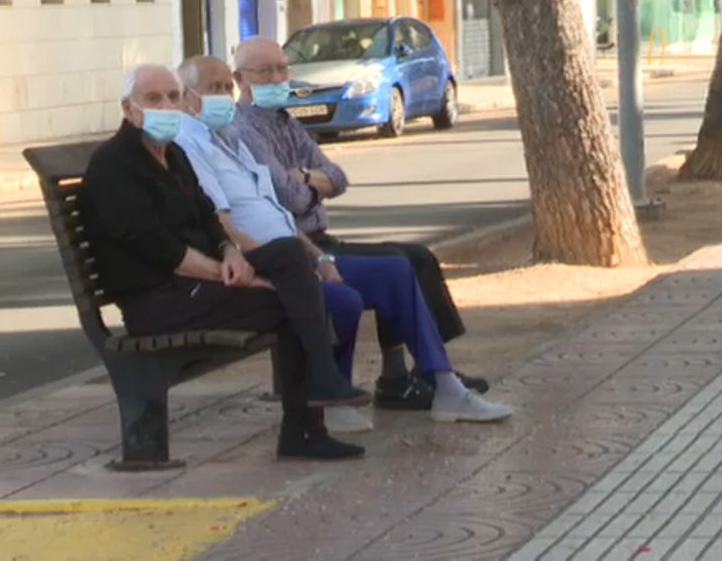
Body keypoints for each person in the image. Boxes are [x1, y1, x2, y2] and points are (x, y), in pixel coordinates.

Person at [174, 56, 513, 428]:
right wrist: (288, 242)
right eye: (214, 88)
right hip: (267, 260)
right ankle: (333, 399)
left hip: (299, 247)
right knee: (347, 297)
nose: (224, 96)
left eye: (226, 87)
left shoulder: (232, 138)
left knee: (398, 268)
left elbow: (302, 197)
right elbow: (239, 213)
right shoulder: (191, 143)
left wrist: (318, 257)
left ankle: (445, 386)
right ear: (187, 96)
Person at [78, 64, 368, 461]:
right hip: (160, 301)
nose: (166, 106)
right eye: (153, 99)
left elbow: (207, 215)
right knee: (290, 301)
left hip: (197, 283)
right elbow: (159, 249)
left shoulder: (172, 154)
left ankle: (320, 384)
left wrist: (230, 251)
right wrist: (230, 275)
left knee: (288, 253)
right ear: (129, 109)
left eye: (173, 96)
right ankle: (305, 428)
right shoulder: (115, 164)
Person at [229, 36, 480, 413]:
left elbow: (338, 177)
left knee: (417, 256)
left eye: (282, 68)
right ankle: (410, 380)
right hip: (295, 248)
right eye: (265, 71)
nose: (278, 78)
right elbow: (289, 199)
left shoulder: (285, 121)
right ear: (240, 79)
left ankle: (413, 373)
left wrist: (305, 177)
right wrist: (315, 186)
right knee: (397, 265)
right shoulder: (244, 130)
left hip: (319, 237)